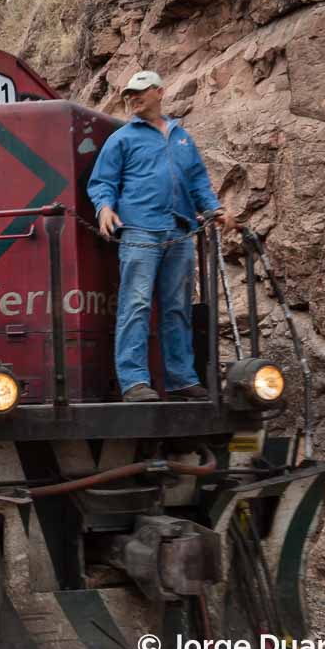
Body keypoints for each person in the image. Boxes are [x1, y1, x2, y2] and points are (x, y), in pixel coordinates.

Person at [87, 70, 233, 402]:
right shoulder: (122, 138)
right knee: (135, 304)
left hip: (179, 231)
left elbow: (198, 182)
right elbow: (102, 181)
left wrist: (217, 209)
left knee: (178, 307)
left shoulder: (182, 138)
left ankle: (182, 379)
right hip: (139, 230)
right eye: (129, 94)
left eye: (140, 91)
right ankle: (134, 382)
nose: (133, 98)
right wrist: (104, 208)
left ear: (159, 92)